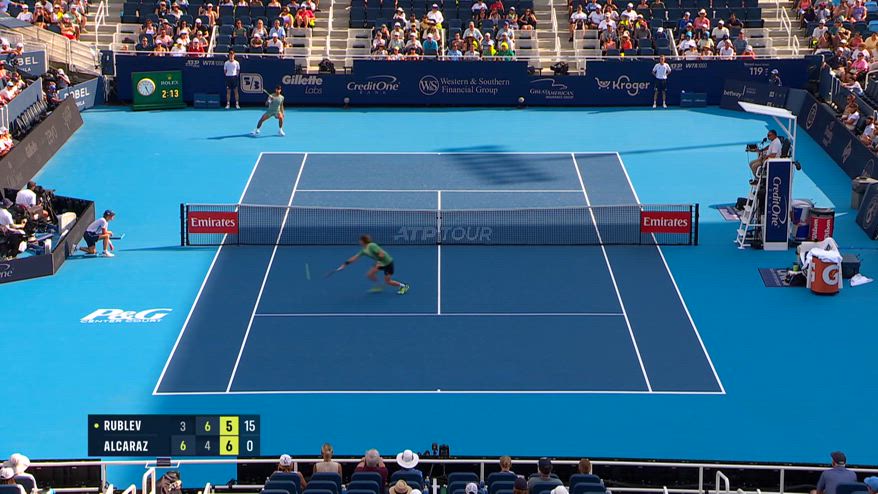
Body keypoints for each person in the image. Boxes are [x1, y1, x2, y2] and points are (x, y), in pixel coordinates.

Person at [338, 235, 410, 294]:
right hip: (379, 263)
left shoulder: (372, 245)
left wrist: (379, 261)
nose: (359, 242)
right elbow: (354, 257)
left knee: (388, 281)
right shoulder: (364, 250)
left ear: (363, 241)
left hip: (388, 263)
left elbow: (381, 253)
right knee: (370, 275)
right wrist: (344, 264)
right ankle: (379, 285)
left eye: (360, 240)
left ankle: (404, 286)